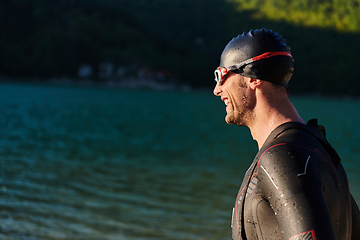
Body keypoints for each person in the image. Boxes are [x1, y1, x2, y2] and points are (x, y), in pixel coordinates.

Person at [212, 28, 360, 240]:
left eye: (222, 75)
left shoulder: (282, 157)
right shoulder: (321, 151)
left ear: (253, 77)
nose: (217, 89)